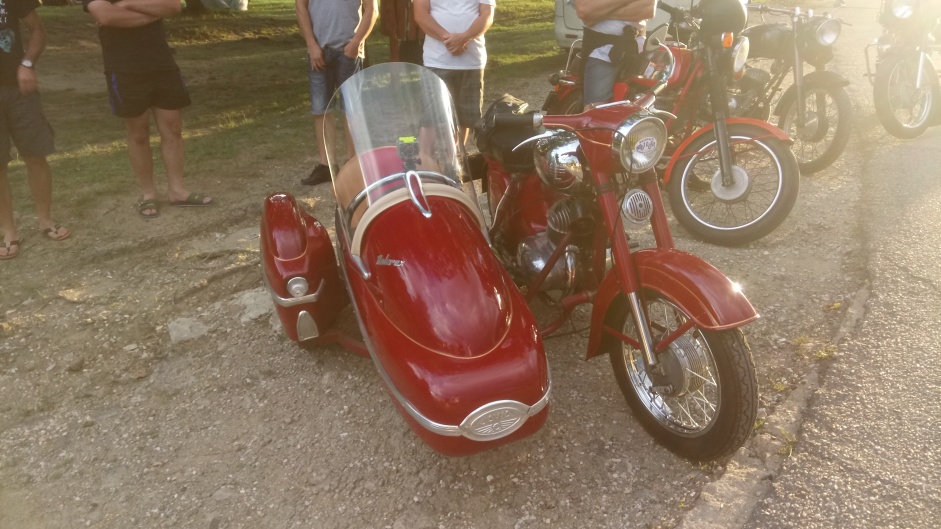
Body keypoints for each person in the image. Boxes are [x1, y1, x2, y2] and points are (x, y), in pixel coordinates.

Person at [82, 0, 213, 219]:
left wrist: (125, 4)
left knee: (173, 129)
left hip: (161, 64)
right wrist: (152, 12)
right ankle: (148, 193)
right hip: (124, 69)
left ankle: (177, 191)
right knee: (139, 134)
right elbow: (106, 16)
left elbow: (173, 7)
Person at [0, 0, 70, 260]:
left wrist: (27, 64)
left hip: (19, 90)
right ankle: (8, 231)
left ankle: (45, 220)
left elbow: (38, 30)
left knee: (35, 154)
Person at [296, 0, 377, 186]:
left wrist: (357, 42)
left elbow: (372, 9)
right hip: (319, 50)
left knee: (352, 110)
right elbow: (300, 6)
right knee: (321, 110)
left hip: (350, 50)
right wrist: (311, 44)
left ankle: (352, 164)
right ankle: (327, 166)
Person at [413, 0, 494, 144]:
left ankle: (456, 155)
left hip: (471, 62)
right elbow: (420, 14)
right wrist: (449, 39)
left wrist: (464, 37)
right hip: (437, 61)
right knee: (430, 118)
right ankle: (425, 157)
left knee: (464, 118)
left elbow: (487, 15)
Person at [573, 0, 656, 108]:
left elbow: (648, 9)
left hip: (637, 48)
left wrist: (599, 12)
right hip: (601, 52)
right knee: (596, 110)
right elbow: (584, 10)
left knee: (645, 102)